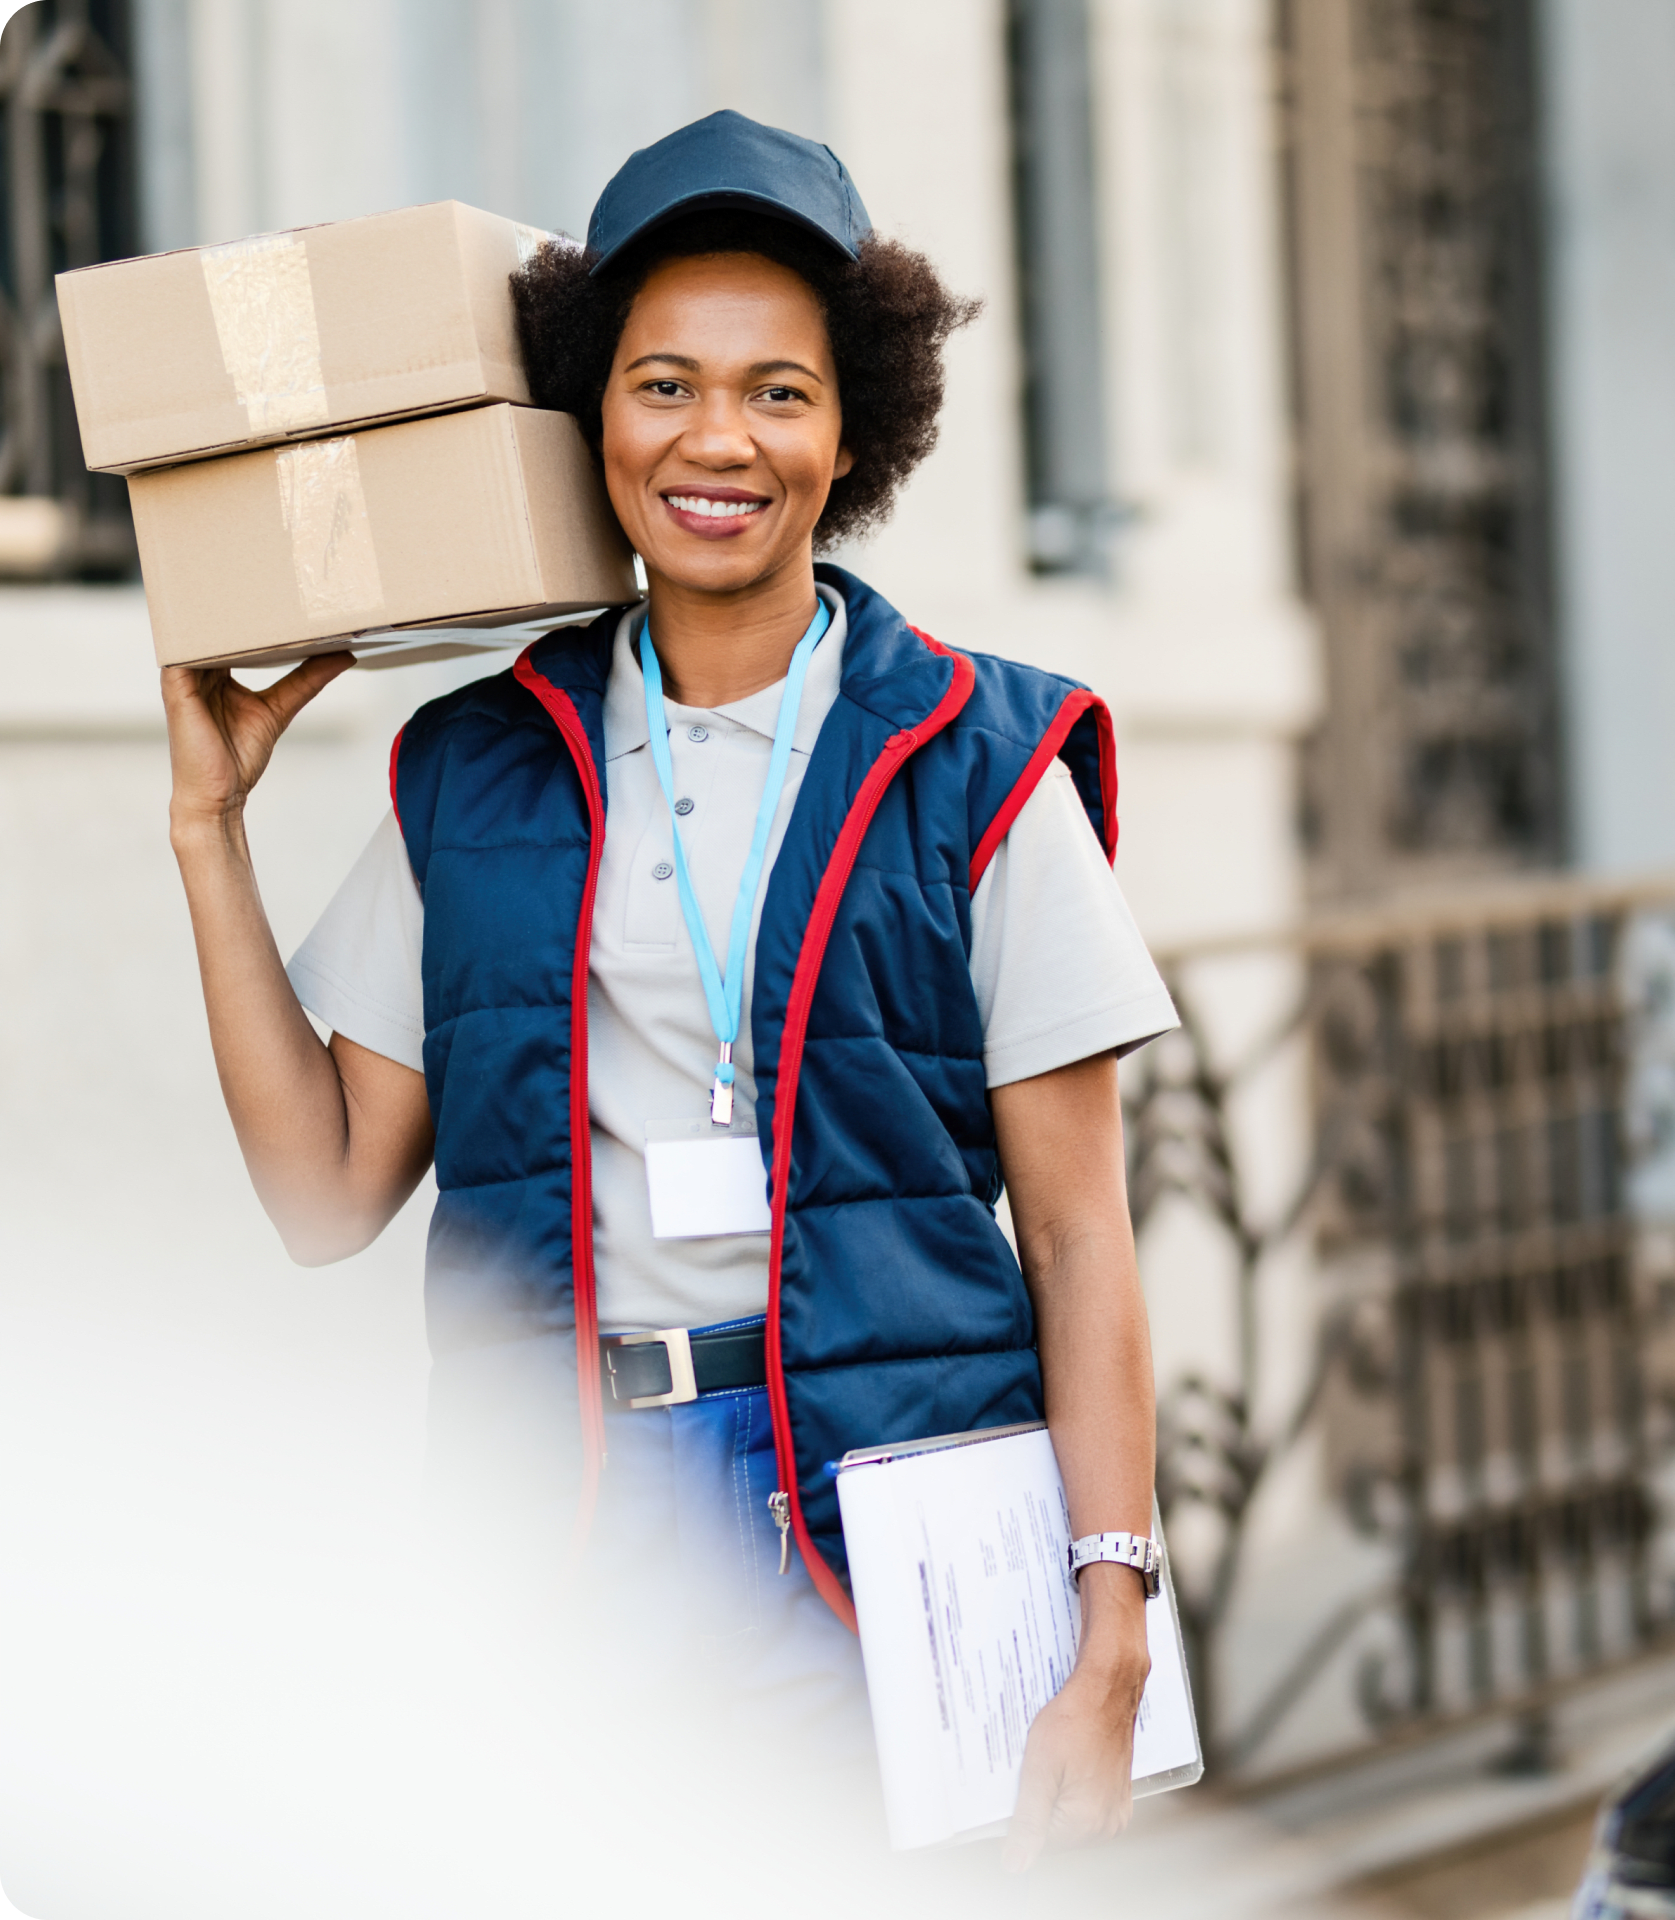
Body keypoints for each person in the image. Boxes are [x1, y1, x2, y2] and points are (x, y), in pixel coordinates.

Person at [160, 111, 1175, 1867]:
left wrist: (1115, 1615)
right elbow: (327, 1198)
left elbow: (1083, 1237)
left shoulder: (986, 761)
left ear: (855, 426)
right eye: (664, 384)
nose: (720, 439)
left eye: (779, 390)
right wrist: (207, 832)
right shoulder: (474, 769)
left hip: (886, 1518)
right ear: (593, 417)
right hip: (564, 1523)